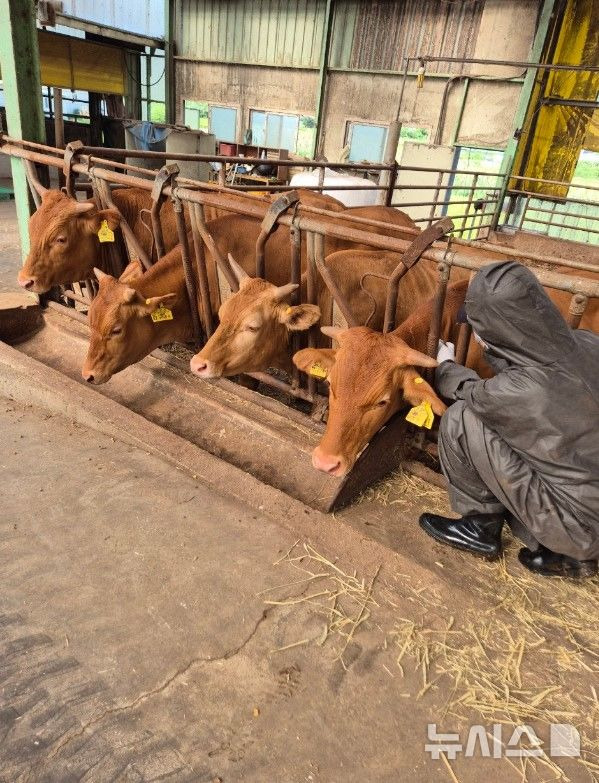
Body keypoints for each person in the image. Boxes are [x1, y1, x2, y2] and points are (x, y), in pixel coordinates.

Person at [419, 261, 599, 580]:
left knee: (462, 418)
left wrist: (445, 365)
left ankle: (479, 527)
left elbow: (473, 393)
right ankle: (572, 555)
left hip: (581, 528)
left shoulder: (524, 389)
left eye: (479, 327)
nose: (475, 334)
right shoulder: (588, 343)